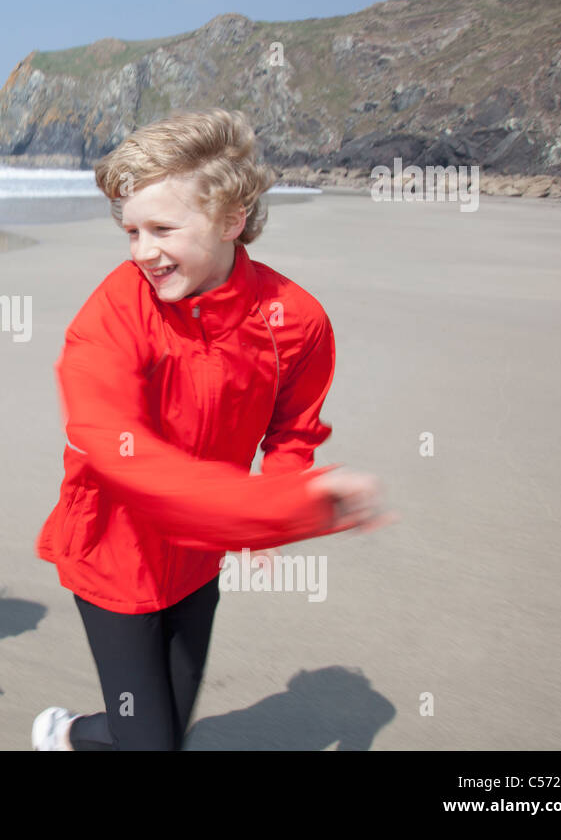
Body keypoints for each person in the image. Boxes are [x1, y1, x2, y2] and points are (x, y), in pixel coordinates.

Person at [32, 110, 393, 751]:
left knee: (161, 729)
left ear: (232, 219)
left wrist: (289, 491)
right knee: (155, 743)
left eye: (162, 229)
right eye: (132, 230)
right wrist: (281, 508)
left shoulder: (296, 321)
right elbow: (125, 456)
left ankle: (68, 735)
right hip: (114, 551)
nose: (143, 251)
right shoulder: (112, 314)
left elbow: (293, 433)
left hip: (199, 557)